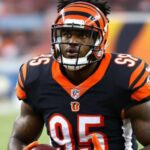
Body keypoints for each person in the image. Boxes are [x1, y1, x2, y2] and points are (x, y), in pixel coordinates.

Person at [8, 0, 150, 150]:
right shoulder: (36, 75)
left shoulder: (125, 76)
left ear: (100, 39)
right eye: (66, 34)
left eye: (82, 35)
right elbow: (19, 138)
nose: (72, 42)